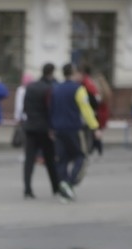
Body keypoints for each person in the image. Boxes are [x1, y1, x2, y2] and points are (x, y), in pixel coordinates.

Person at [51, 63, 99, 201]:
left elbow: (52, 109)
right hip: (73, 129)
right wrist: (94, 127)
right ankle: (69, 183)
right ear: (74, 73)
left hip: (58, 129)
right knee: (81, 156)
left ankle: (64, 187)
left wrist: (51, 127)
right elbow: (86, 109)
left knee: (62, 159)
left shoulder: (56, 89)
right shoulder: (78, 89)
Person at [22, 63, 61, 200]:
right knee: (50, 159)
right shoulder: (50, 88)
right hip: (44, 129)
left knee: (29, 160)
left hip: (31, 127)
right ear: (51, 72)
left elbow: (25, 107)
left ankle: (27, 189)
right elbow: (51, 109)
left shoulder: (31, 87)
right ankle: (55, 188)